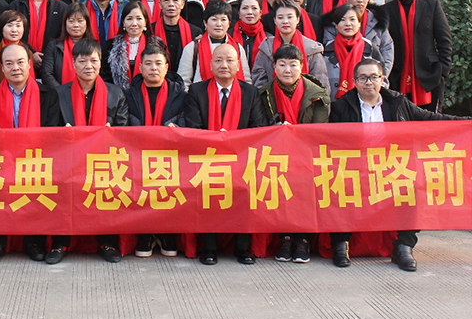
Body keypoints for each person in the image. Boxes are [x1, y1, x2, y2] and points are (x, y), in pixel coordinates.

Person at [328, 58, 466, 270]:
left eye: (373, 77)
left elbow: (431, 118)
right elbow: (328, 140)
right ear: (354, 81)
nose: (368, 82)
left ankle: (403, 246)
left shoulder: (398, 103)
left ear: (382, 80)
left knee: (415, 186)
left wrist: (466, 123)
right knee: (339, 182)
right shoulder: (341, 107)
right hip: (355, 166)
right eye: (363, 78)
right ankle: (341, 243)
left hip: (391, 166)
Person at [183, 44, 267, 265]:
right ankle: (209, 248)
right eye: (219, 60)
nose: (224, 65)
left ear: (238, 65)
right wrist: (216, 142)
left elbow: (258, 129)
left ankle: (243, 248)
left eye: (229, 60)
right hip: (206, 159)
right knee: (207, 187)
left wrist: (232, 143)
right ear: (210, 64)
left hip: (241, 160)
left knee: (247, 188)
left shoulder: (250, 93)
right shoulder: (197, 91)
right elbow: (192, 128)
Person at [49, 39, 129, 264]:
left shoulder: (115, 93)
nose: (88, 66)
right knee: (62, 191)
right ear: (73, 63)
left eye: (93, 61)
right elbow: (49, 130)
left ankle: (107, 242)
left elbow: (124, 132)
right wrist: (62, 134)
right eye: (82, 61)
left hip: (103, 160)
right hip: (68, 161)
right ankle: (61, 242)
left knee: (107, 190)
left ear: (100, 62)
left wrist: (110, 134)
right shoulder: (59, 94)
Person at [0, 43, 62, 263]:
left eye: (20, 62)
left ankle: (34, 242)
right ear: (2, 68)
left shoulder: (49, 95)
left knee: (36, 184)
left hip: (36, 160)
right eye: (9, 63)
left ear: (29, 64)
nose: (15, 68)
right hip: (1, 160)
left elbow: (52, 132)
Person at [258, 44, 330, 263]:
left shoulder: (318, 95)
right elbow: (259, 128)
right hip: (276, 155)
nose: (287, 70)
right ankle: (286, 238)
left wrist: (293, 135)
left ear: (302, 66)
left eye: (293, 65)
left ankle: (303, 240)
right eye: (282, 64)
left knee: (305, 188)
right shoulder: (264, 94)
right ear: (274, 66)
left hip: (307, 155)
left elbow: (320, 132)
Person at [125, 43, 185, 258]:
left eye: (158, 64)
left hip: (170, 156)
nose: (153, 68)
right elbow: (123, 124)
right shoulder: (128, 94)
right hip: (137, 155)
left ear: (167, 67)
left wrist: (177, 130)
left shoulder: (180, 95)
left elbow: (186, 122)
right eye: (148, 64)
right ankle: (145, 233)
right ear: (140, 67)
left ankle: (166, 232)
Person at [381, 0, 453, 111]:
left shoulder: (431, 6)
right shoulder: (385, 11)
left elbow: (444, 40)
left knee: (431, 121)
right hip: (397, 77)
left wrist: (442, 70)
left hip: (429, 76)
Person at [321, 0, 394, 78]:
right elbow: (329, 55)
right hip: (340, 78)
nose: (360, 0)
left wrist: (380, 79)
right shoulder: (335, 21)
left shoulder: (378, 21)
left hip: (370, 79)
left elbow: (387, 51)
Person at [252, 0, 329, 92]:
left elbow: (321, 84)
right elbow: (259, 82)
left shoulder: (311, 48)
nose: (285, 21)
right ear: (275, 20)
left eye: (290, 17)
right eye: (280, 17)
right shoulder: (266, 48)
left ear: (298, 19)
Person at [177, 0, 251, 91]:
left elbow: (246, 81)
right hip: (201, 98)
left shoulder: (237, 48)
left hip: (234, 97)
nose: (219, 24)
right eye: (214, 19)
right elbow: (183, 82)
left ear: (229, 23)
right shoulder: (192, 48)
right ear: (205, 23)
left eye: (223, 19)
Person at [323, 5, 384, 100]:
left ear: (359, 23)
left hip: (365, 101)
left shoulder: (369, 47)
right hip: (334, 102)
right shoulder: (327, 49)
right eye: (342, 20)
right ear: (336, 25)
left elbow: (382, 77)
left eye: (352, 19)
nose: (348, 24)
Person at [9, 0, 66, 66]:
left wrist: (48, 57)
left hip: (53, 62)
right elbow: (11, 35)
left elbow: (63, 37)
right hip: (21, 61)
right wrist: (31, 53)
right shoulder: (15, 7)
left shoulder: (61, 8)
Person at [100, 1, 164, 91]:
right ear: (123, 22)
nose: (134, 23)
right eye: (129, 19)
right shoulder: (111, 46)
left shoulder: (157, 45)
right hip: (119, 96)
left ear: (145, 21)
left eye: (139, 18)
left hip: (149, 94)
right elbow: (105, 77)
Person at [41, 3, 96, 88]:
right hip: (58, 94)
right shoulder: (53, 46)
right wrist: (62, 92)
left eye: (80, 21)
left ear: (87, 23)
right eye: (71, 21)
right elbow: (47, 74)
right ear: (65, 23)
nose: (76, 25)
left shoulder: (94, 47)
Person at [0, 10, 35, 90]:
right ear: (2, 29)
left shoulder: (28, 52)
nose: (14, 30)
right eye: (9, 25)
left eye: (18, 26)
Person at [152, 0, 200, 73]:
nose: (171, 4)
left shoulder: (195, 32)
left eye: (175, 0)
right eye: (166, 0)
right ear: (160, 4)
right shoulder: (151, 30)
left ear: (182, 4)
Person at [230, 0, 266, 71]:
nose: (249, 12)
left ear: (260, 12)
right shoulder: (229, 36)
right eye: (245, 8)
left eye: (254, 8)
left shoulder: (268, 39)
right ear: (239, 12)